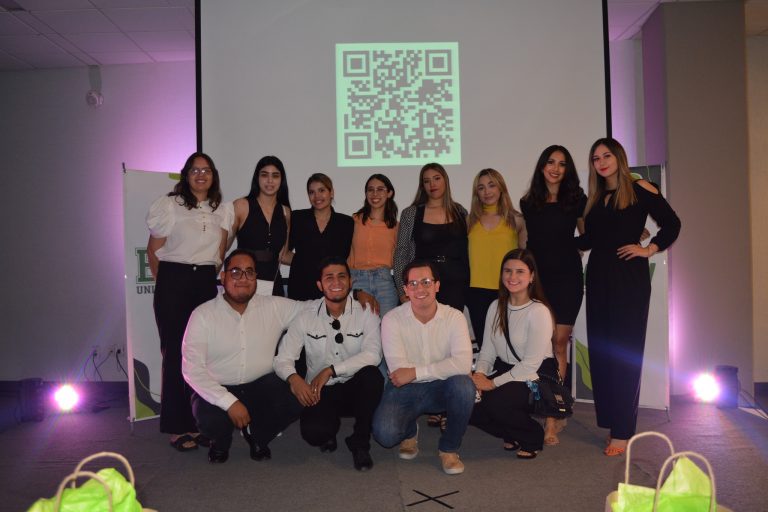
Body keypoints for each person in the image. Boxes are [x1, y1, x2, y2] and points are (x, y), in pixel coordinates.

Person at [577, 138, 680, 456]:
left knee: (624, 353)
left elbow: (672, 224)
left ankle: (622, 432)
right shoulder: (596, 199)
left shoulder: (640, 189)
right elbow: (590, 240)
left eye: (606, 155)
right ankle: (612, 423)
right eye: (596, 158)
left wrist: (649, 249)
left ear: (619, 158)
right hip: (598, 277)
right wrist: (553, 243)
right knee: (602, 353)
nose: (601, 162)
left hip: (629, 279)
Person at [181, 249, 306, 463]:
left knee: (295, 397)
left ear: (256, 277)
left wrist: (353, 297)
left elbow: (313, 309)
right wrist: (230, 403)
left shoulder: (273, 306)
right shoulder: (203, 315)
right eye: (236, 272)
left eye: (249, 272)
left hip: (260, 385)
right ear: (223, 277)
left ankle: (257, 436)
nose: (243, 278)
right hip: (219, 387)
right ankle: (220, 443)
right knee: (209, 418)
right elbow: (192, 369)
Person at [146, 152, 229, 451]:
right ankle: (177, 427)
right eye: (195, 170)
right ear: (186, 174)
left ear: (213, 175)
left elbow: (219, 254)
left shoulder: (222, 210)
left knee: (202, 355)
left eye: (206, 170)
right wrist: (170, 285)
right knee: (175, 354)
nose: (201, 175)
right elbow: (153, 251)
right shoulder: (170, 205)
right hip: (174, 281)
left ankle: (200, 423)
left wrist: (203, 279)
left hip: (205, 282)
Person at [274, 257, 384, 471]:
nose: (336, 282)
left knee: (372, 377)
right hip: (320, 390)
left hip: (355, 388)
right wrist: (294, 378)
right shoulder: (306, 316)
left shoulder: (366, 311)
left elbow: (373, 355)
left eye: (342, 276)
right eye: (329, 278)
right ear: (320, 285)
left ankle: (360, 442)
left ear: (350, 282)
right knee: (314, 434)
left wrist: (331, 371)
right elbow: (282, 359)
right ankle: (329, 431)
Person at [372, 260, 475, 475]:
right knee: (385, 435)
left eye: (426, 282)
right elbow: (398, 371)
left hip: (442, 386)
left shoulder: (454, 317)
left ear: (437, 285)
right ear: (406, 289)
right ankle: (410, 430)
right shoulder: (392, 319)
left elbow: (463, 364)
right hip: (405, 388)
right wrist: (440, 368)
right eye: (413, 283)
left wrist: (415, 372)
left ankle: (449, 448)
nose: (420, 288)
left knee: (464, 386)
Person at [520, 145, 586, 445]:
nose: (555, 168)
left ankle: (554, 415)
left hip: (568, 277)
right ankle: (545, 404)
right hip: (539, 281)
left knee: (560, 342)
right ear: (542, 166)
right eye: (550, 162)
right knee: (543, 344)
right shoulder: (528, 202)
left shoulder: (577, 200)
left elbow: (589, 235)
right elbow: (527, 242)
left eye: (562, 164)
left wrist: (628, 231)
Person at [470, 249, 554, 459]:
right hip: (505, 369)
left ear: (531, 276)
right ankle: (511, 433)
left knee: (496, 403)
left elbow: (530, 365)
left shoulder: (539, 312)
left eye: (520, 271)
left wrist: (491, 384)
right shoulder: (495, 307)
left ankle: (532, 436)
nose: (512, 277)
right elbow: (487, 350)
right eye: (507, 271)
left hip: (534, 375)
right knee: (465, 403)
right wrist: (479, 375)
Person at [392, 163, 469, 312]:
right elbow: (401, 254)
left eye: (436, 178)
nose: (432, 184)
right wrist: (403, 291)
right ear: (423, 186)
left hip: (456, 285)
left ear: (445, 180)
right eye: (427, 181)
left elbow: (466, 251)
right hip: (423, 284)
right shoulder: (411, 213)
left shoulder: (460, 211)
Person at [467, 168, 526, 350]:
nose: (487, 191)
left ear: (501, 187)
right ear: (476, 193)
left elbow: (526, 258)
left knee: (509, 346)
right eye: (481, 187)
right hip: (476, 291)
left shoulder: (517, 219)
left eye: (491, 185)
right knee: (485, 347)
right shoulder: (469, 221)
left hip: (508, 289)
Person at [287, 173, 354, 301]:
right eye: (312, 192)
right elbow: (284, 253)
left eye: (321, 190)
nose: (317, 196)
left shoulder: (346, 222)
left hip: (332, 287)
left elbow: (343, 257)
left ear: (331, 192)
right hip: (301, 284)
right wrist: (303, 261)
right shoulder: (297, 218)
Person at [232, 156, 291, 296]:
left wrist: (314, 261)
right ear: (257, 178)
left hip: (274, 283)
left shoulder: (286, 212)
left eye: (275, 176)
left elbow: (284, 255)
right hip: (243, 283)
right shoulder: (241, 205)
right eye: (264, 175)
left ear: (281, 180)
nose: (270, 180)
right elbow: (223, 247)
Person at [348, 174, 400, 317]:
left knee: (387, 327)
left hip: (385, 282)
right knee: (359, 328)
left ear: (389, 193)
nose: (375, 194)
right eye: (370, 190)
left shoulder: (396, 227)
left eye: (380, 189)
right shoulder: (353, 221)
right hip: (357, 282)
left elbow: (400, 259)